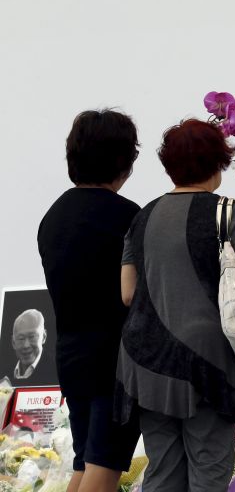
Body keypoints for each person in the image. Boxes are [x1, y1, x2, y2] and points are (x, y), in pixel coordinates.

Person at [117, 119, 235, 491]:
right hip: (207, 363)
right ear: (218, 161)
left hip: (146, 363)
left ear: (170, 166)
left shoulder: (142, 216)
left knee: (162, 473)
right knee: (209, 471)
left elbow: (128, 294)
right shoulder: (225, 212)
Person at [37, 109, 141, 492]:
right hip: (114, 361)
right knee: (105, 467)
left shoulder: (54, 216)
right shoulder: (128, 217)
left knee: (85, 463)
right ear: (124, 161)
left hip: (71, 355)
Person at [8, 310, 48, 381]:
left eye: (32, 337)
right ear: (13, 342)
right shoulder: (5, 374)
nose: (26, 345)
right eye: (21, 338)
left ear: (44, 337)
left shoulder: (57, 369)